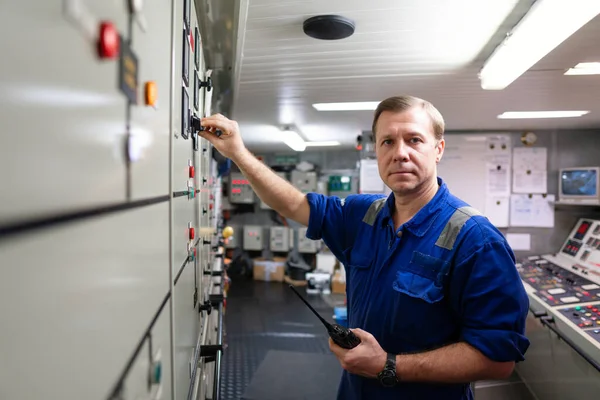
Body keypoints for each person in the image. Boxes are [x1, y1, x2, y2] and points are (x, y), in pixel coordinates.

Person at [198, 95, 530, 400]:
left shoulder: (476, 240)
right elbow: (295, 204)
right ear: (377, 151)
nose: (400, 152)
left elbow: (497, 359)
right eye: (388, 141)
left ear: (438, 148)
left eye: (414, 140)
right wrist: (238, 153)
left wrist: (389, 365)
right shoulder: (363, 216)